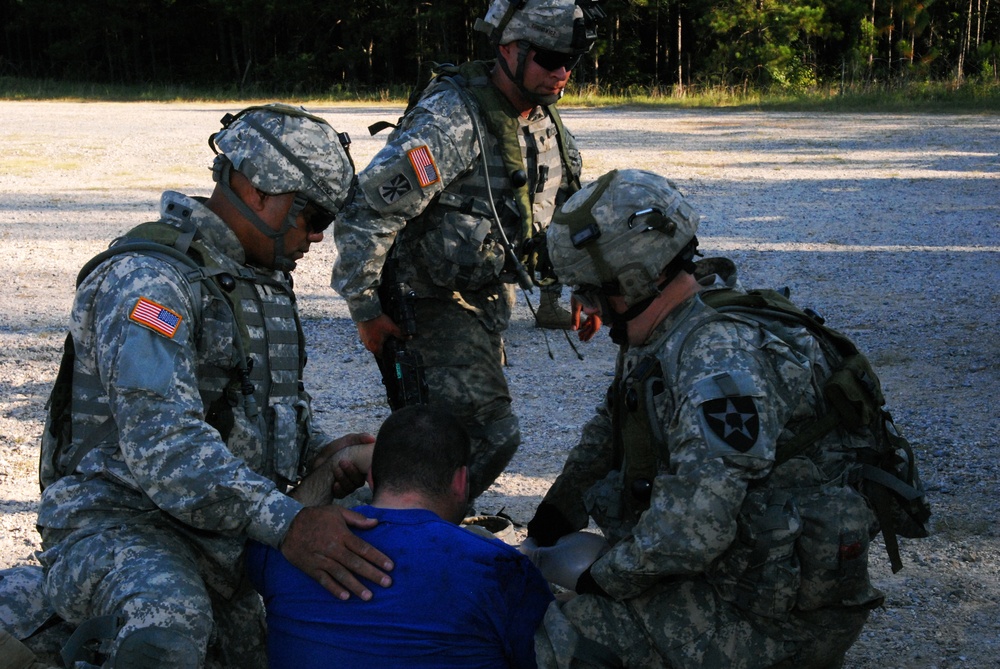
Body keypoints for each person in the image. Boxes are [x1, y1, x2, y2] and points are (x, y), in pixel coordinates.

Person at [33, 104, 394, 669]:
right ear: (256, 190)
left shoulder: (257, 280)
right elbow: (165, 445)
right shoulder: (150, 283)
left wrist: (325, 453)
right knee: (169, 626)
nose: (317, 235)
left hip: (217, 530)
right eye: (312, 215)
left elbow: (267, 410)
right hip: (122, 524)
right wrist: (290, 523)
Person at [523, 169, 890, 667]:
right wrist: (553, 517)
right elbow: (612, 428)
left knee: (554, 640)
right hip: (740, 578)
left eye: (588, 292)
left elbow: (696, 526)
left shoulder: (716, 361)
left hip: (768, 621)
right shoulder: (668, 327)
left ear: (633, 282)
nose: (584, 308)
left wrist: (601, 580)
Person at [331, 0, 605, 500]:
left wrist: (586, 287)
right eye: (549, 58)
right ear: (508, 49)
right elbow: (367, 210)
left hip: (482, 302)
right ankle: (384, 519)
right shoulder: (452, 121)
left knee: (446, 440)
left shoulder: (542, 120)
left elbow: (566, 210)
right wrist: (365, 309)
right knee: (487, 434)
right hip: (428, 303)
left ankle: (396, 511)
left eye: (571, 60)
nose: (562, 72)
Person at [246, 404, 554, 669]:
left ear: (370, 477)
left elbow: (283, 525)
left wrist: (334, 467)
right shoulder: (500, 571)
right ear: (461, 481)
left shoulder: (291, 551)